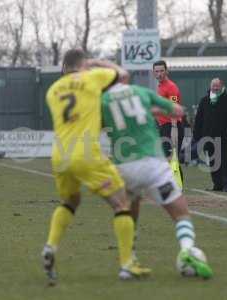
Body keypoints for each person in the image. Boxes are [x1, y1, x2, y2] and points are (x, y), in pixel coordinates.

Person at [42, 49, 150, 284]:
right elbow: (122, 75)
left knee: (70, 201)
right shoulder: (92, 77)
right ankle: (127, 265)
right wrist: (97, 62)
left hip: (60, 155)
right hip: (86, 153)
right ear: (83, 65)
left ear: (63, 68)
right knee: (123, 202)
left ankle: (51, 245)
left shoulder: (52, 90)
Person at [101, 81, 213, 279]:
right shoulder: (141, 91)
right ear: (123, 80)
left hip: (125, 167)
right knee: (181, 214)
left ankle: (128, 262)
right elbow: (177, 110)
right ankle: (187, 249)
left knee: (128, 214)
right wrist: (155, 110)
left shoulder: (104, 101)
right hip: (153, 166)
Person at [193, 78, 227, 192]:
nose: (215, 88)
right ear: (210, 86)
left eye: (217, 86)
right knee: (213, 162)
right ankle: (217, 184)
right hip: (208, 137)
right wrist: (197, 135)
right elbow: (199, 119)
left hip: (225, 137)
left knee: (226, 162)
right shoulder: (204, 100)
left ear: (222, 86)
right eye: (213, 86)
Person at [152, 60, 184, 181]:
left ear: (166, 71)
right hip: (164, 126)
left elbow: (174, 110)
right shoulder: (160, 86)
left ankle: (177, 187)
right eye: (157, 71)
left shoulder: (171, 87)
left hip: (172, 126)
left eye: (161, 71)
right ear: (153, 73)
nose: (159, 74)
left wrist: (174, 129)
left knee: (171, 158)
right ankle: (172, 187)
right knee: (166, 159)